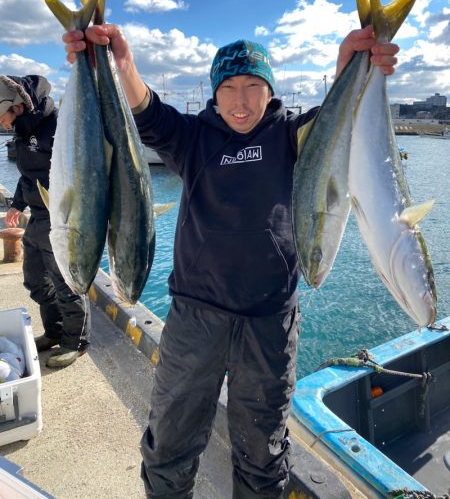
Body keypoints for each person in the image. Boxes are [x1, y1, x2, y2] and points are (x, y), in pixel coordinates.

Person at [63, 25, 399, 498]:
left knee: (263, 450)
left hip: (269, 322)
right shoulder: (193, 137)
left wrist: (353, 65)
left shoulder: (291, 134)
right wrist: (122, 63)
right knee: (170, 439)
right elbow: (148, 112)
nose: (241, 102)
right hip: (195, 317)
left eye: (252, 88)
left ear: (270, 91)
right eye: (228, 89)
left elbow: (337, 124)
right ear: (215, 94)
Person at [0, 75, 90, 368]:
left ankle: (75, 342)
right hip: (37, 218)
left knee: (67, 285)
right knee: (35, 281)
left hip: (61, 219)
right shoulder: (22, 130)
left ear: (16, 105)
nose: (0, 123)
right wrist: (17, 204)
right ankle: (54, 332)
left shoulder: (57, 127)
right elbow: (28, 175)